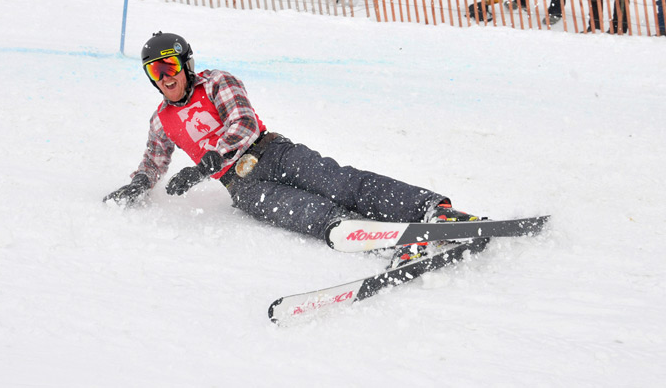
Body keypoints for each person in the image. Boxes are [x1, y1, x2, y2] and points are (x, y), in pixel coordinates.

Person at [104, 32, 478, 258]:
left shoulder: (216, 82)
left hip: (272, 153)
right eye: (156, 71)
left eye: (169, 65)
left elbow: (244, 122)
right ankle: (366, 233)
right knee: (299, 210)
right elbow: (153, 162)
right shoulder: (161, 120)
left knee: (340, 182)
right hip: (242, 185)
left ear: (186, 64)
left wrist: (206, 163)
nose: (166, 77)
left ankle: (430, 210)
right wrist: (138, 184)